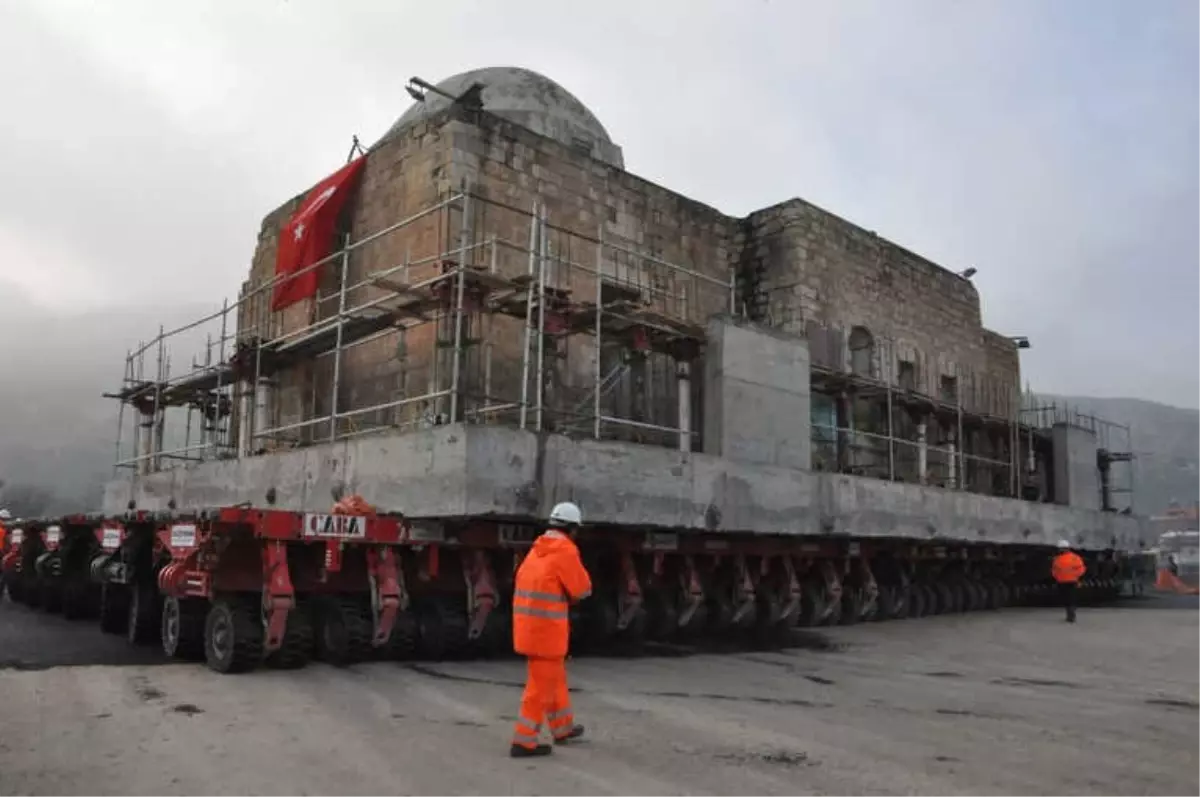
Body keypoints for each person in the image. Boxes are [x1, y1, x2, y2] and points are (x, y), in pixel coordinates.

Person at [509, 501, 592, 758]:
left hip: (529, 630)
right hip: (548, 632)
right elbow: (582, 589)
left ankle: (562, 728)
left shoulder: (537, 550)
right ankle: (524, 742)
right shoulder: (565, 551)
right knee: (539, 688)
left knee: (553, 680)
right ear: (573, 528)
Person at [1051, 539, 1086, 623]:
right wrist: (1076, 576)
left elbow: (1054, 571)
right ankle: (1071, 613)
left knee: (1067, 598)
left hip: (1063, 581)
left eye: (1061, 548)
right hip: (1071, 581)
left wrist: (1058, 577)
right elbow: (1081, 569)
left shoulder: (1057, 559)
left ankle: (1070, 614)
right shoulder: (1075, 557)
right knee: (1071, 598)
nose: (1060, 550)